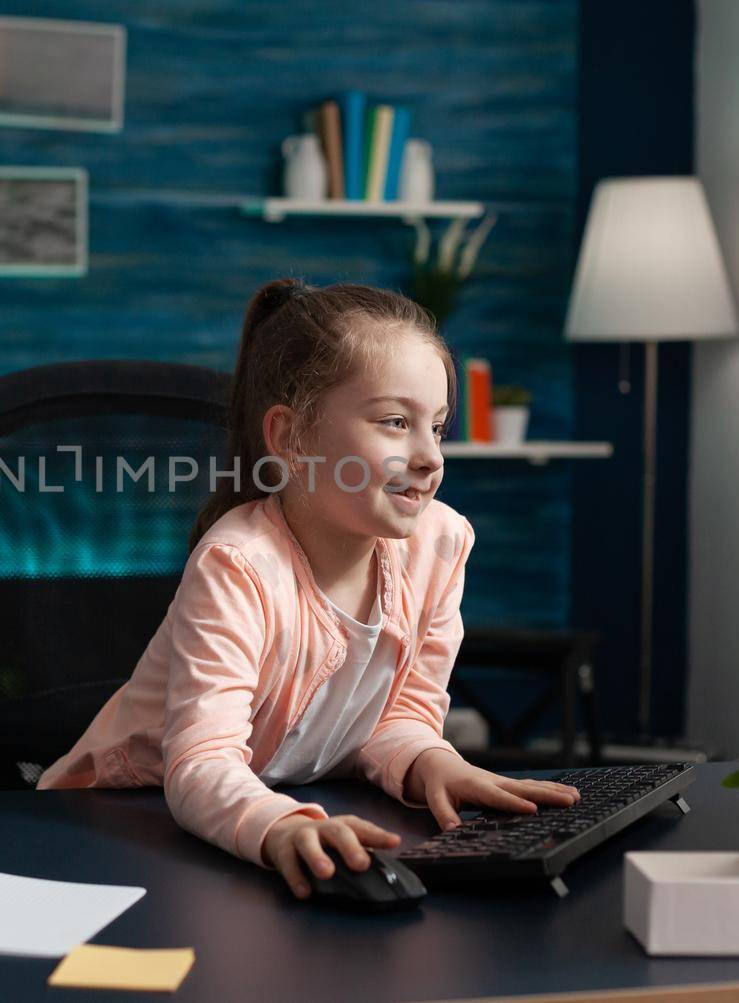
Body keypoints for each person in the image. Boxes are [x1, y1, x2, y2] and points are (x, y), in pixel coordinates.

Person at [37, 277, 578, 899]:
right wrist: (281, 827)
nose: (431, 456)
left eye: (438, 426)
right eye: (396, 422)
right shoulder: (237, 564)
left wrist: (436, 762)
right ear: (291, 439)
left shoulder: (441, 544)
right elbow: (203, 764)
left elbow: (396, 717)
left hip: (269, 805)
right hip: (115, 829)